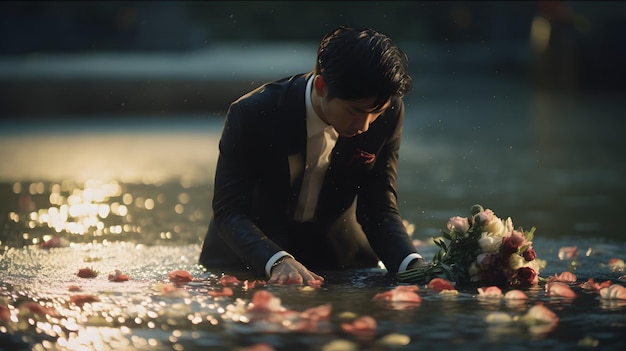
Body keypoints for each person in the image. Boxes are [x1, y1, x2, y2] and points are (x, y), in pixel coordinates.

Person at [199, 24, 425, 285]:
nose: (365, 126)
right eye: (355, 111)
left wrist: (415, 267)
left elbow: (378, 207)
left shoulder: (388, 112)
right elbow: (229, 211)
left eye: (376, 113)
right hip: (246, 260)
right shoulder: (253, 113)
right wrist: (277, 261)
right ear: (320, 86)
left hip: (337, 258)